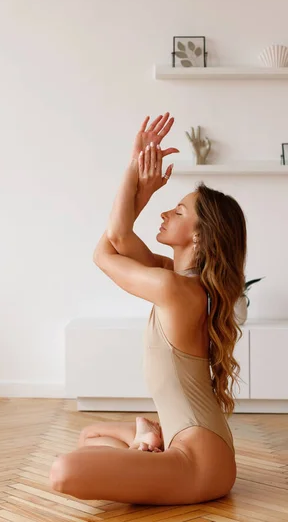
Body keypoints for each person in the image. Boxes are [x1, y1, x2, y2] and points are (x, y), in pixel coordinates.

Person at [50, 113, 246, 505]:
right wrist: (137, 183)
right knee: (89, 437)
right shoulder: (174, 279)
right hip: (197, 443)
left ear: (199, 234)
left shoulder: (174, 288)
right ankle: (145, 437)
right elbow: (120, 239)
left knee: (64, 472)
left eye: (176, 211)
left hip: (197, 461)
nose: (164, 214)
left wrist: (135, 181)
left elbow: (106, 250)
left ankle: (145, 442)